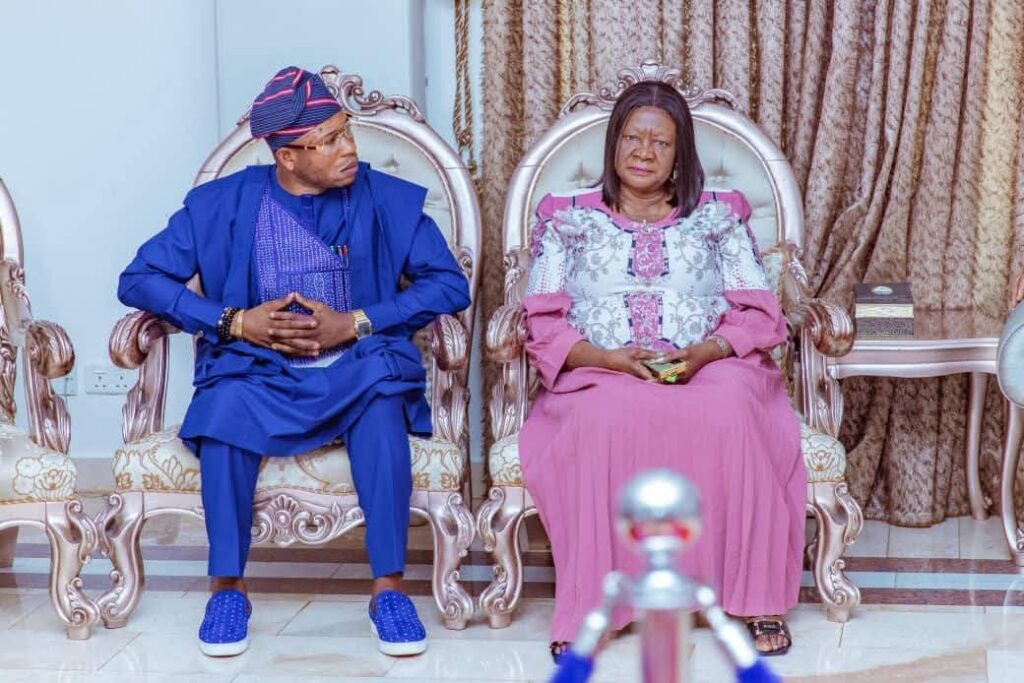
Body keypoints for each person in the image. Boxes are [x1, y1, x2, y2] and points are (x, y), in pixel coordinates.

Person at [118, 66, 471, 658]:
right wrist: (233, 322)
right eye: (328, 141)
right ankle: (227, 589)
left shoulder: (386, 199)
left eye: (346, 131)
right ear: (287, 156)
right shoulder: (222, 204)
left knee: (383, 399)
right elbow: (139, 278)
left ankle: (389, 591)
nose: (349, 148)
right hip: (256, 368)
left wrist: (357, 322)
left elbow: (448, 285)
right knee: (223, 408)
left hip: (357, 362)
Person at [519, 81, 805, 660]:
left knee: (731, 409)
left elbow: (758, 312)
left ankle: (754, 599)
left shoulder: (719, 218)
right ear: (613, 143)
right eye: (632, 137)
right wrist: (605, 358)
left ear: (680, 155)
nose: (643, 152)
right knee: (602, 416)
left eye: (660, 142)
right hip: (600, 370)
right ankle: (592, 606)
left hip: (707, 364)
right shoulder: (566, 219)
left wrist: (705, 352)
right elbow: (541, 322)